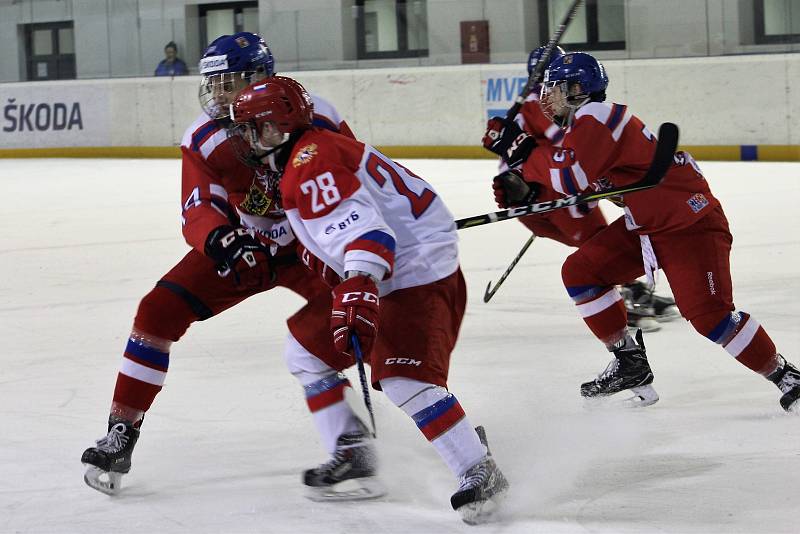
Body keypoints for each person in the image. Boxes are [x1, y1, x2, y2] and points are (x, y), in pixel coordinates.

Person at [80, 32, 370, 497]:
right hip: (245, 249)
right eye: (212, 84)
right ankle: (121, 432)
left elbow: (361, 175)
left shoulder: (317, 116)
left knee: (362, 316)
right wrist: (220, 238)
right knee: (157, 312)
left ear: (261, 79)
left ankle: (427, 414)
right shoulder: (204, 136)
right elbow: (197, 208)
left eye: (229, 83)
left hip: (309, 248)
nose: (217, 94)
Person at [229, 76, 510, 524]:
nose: (244, 138)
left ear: (277, 127)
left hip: (413, 276)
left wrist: (358, 284)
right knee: (304, 351)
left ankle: (478, 469)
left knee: (403, 380)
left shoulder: (309, 162)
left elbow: (367, 234)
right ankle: (353, 451)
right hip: (388, 268)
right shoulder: (310, 153)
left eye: (251, 127)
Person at [490, 51, 800, 412]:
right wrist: (529, 190)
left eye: (555, 89)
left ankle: (785, 376)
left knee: (710, 317)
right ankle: (629, 363)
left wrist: (521, 151)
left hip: (689, 226)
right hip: (650, 226)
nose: (548, 97)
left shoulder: (597, 117)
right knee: (581, 272)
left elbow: (570, 178)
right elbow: (583, 194)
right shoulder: (585, 125)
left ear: (577, 89)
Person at [482, 45, 678, 332]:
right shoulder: (545, 105)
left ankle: (630, 291)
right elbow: (568, 153)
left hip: (535, 194)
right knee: (598, 247)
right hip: (549, 192)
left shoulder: (533, 105)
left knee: (593, 245)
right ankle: (624, 301)